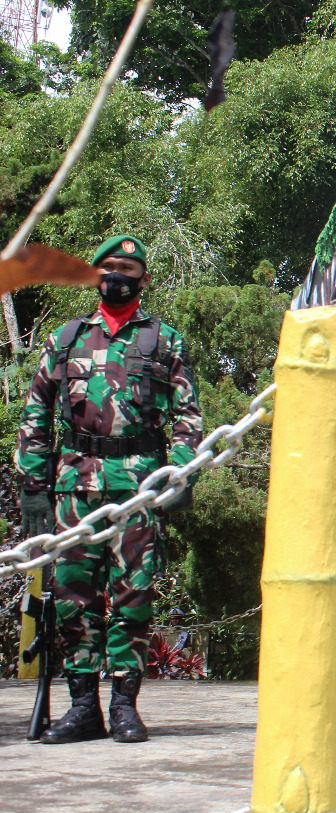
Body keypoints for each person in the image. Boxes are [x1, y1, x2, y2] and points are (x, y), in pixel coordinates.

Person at [16, 234, 202, 744]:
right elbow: (35, 413)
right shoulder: (67, 338)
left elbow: (188, 415)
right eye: (109, 268)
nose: (117, 276)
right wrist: (34, 484)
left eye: (128, 269)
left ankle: (124, 706)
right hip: (75, 487)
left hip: (138, 489)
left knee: (132, 597)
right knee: (74, 597)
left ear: (143, 279)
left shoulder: (164, 341)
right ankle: (83, 709)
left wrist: (181, 474)